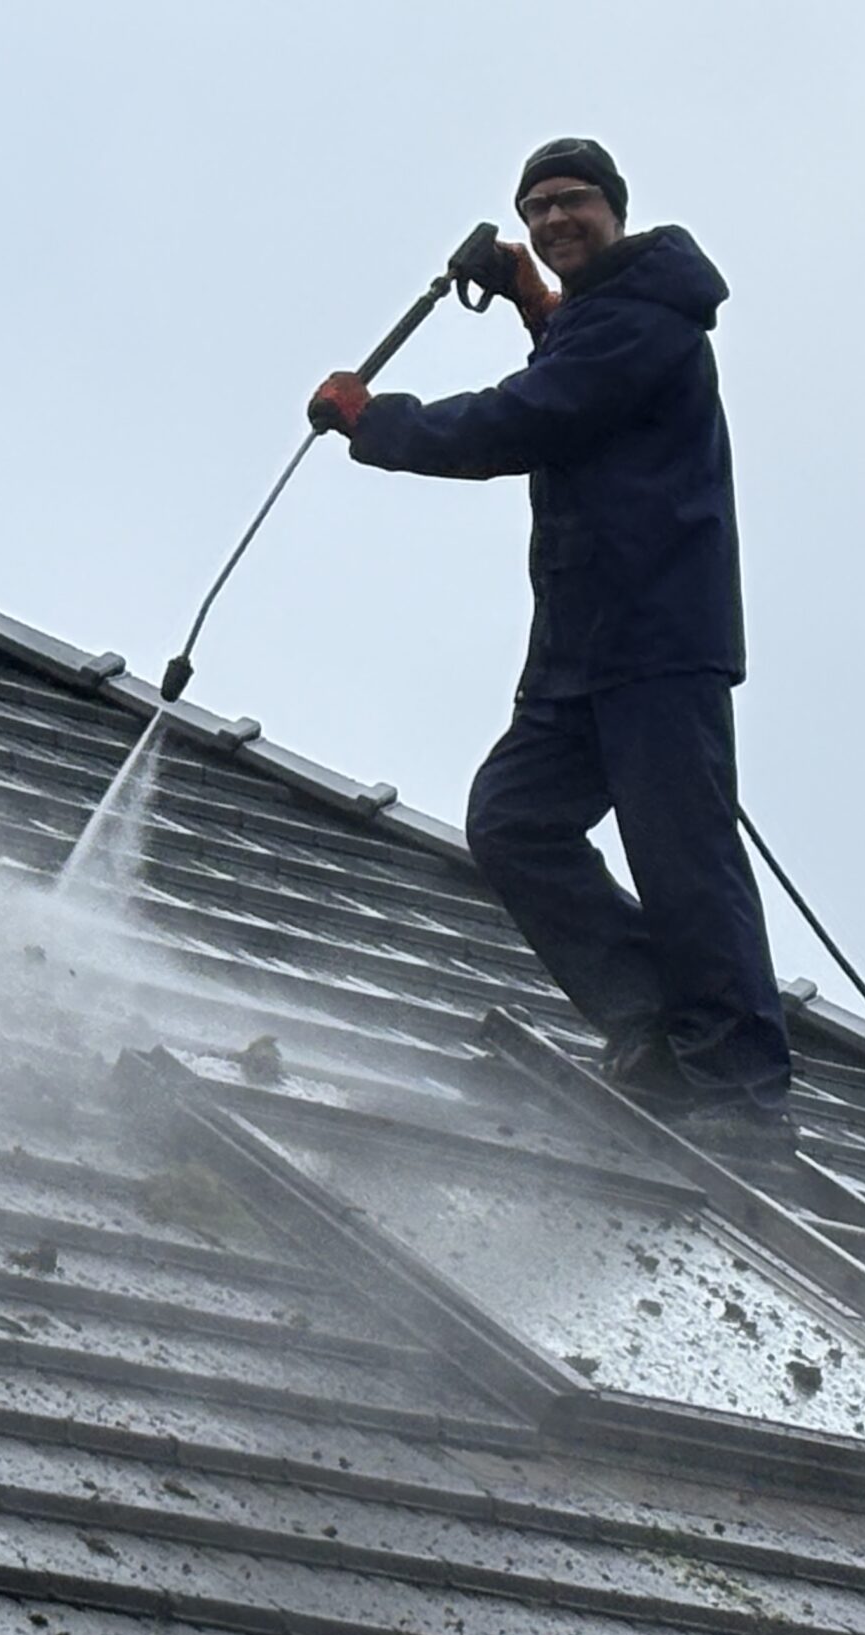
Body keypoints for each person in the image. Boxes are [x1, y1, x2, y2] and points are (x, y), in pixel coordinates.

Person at [308, 137, 794, 1148]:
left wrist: (377, 424)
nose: (551, 219)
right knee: (513, 821)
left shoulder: (646, 318)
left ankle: (740, 1087)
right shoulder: (604, 319)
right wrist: (532, 298)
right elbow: (572, 372)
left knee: (682, 855)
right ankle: (655, 1024)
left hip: (657, 634)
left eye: (570, 201)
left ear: (615, 208)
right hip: (583, 644)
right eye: (534, 209)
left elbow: (530, 417)